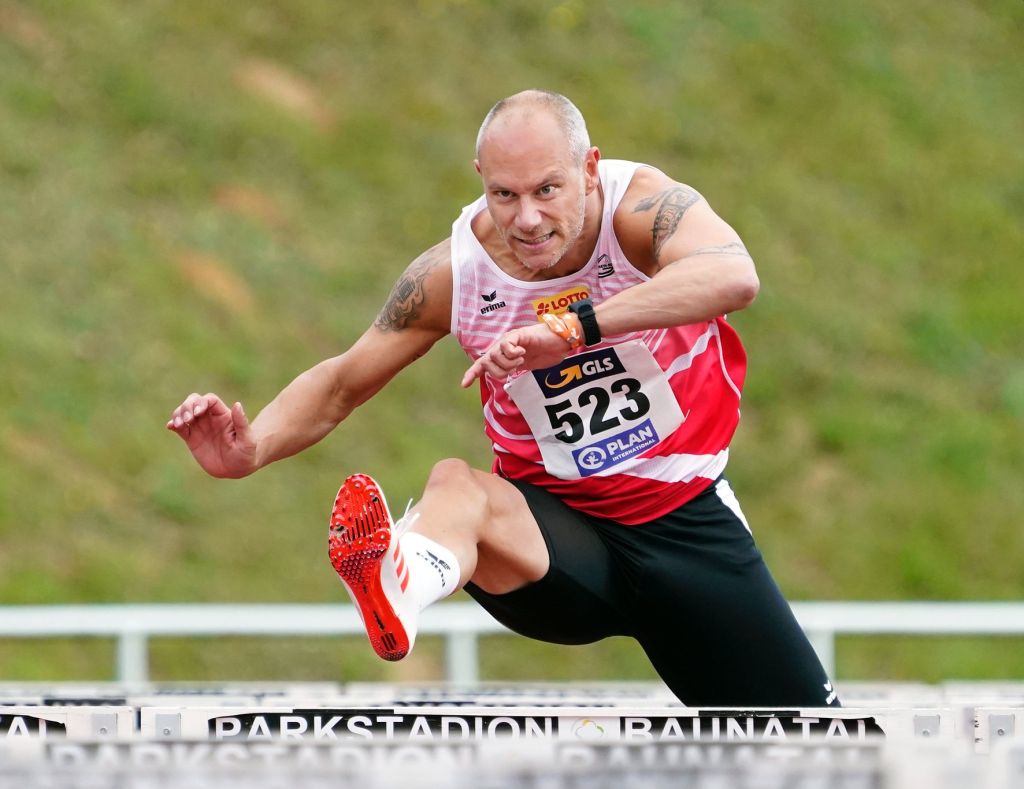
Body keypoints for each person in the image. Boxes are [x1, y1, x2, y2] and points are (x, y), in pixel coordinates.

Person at [167, 90, 839, 707]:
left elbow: (733, 273)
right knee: (457, 485)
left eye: (548, 190)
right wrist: (249, 450)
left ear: (589, 168)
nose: (527, 219)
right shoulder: (454, 274)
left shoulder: (642, 213)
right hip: (552, 542)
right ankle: (403, 577)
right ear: (480, 181)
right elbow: (344, 380)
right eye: (504, 194)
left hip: (682, 523)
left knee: (814, 741)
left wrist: (573, 331)